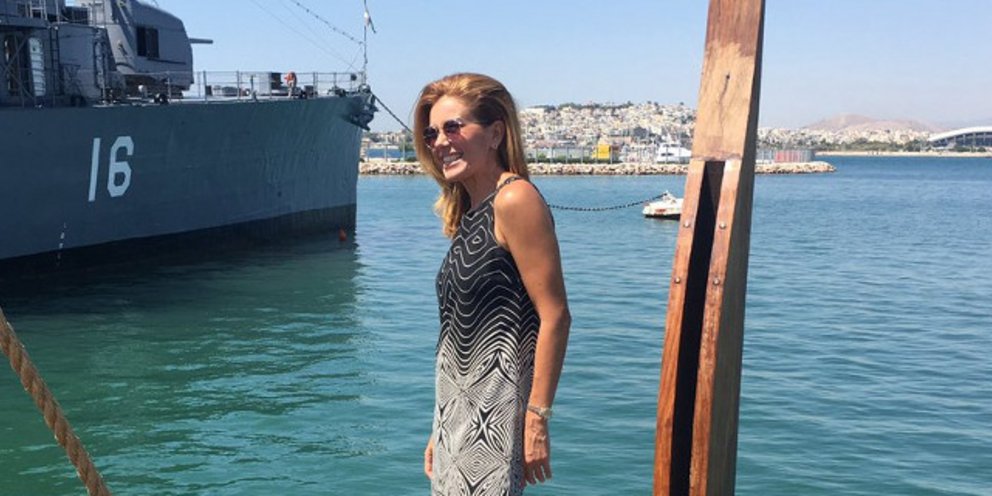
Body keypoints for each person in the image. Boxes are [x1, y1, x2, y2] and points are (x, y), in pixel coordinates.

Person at [414, 72, 571, 495]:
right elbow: (457, 335)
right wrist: (439, 427)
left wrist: (537, 419)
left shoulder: (514, 199)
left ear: (496, 133)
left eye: (453, 127)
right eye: (431, 133)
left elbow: (555, 315)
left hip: (495, 420)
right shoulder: (471, 214)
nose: (440, 142)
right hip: (457, 420)